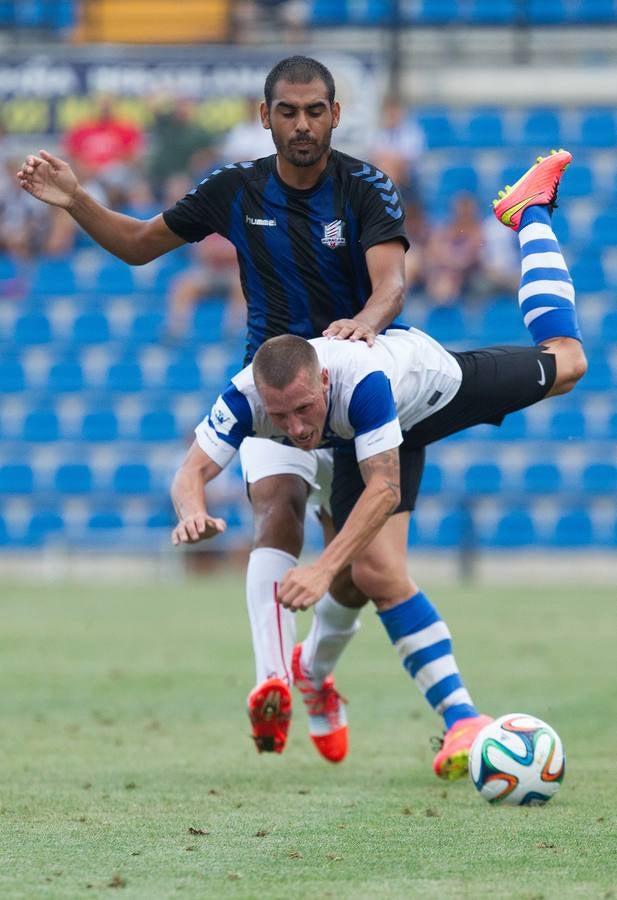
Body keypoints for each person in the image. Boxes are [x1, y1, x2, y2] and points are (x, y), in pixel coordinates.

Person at [16, 56, 409, 764]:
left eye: (313, 110)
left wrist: (364, 321)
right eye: (286, 111)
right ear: (265, 117)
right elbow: (139, 245)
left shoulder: (364, 186)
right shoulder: (235, 189)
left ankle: (314, 677)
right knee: (277, 507)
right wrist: (76, 199)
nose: (300, 124)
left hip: (350, 391)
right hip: (274, 387)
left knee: (355, 573)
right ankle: (270, 685)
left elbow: (392, 282)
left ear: (333, 115)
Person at [170, 150, 586, 779]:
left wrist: (320, 565)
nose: (296, 429)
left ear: (322, 383)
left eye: (305, 410)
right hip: (366, 437)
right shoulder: (252, 392)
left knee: (569, 365)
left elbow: (382, 488)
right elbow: (191, 470)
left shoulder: (360, 384)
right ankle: (461, 722)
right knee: (376, 570)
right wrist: (192, 510)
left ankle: (529, 214)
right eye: (282, 420)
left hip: (427, 395)